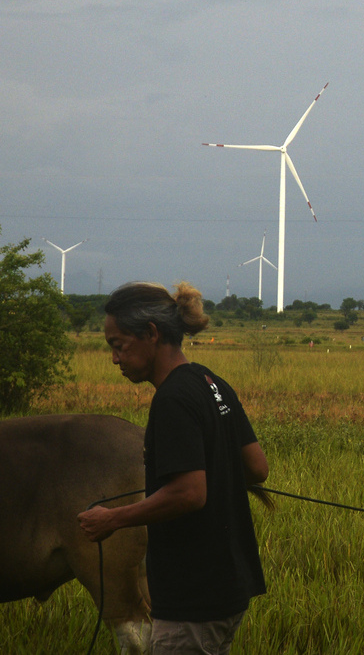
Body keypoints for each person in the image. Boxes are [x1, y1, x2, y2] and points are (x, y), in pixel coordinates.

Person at [78, 281, 268, 655]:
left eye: (119, 345)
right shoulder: (212, 383)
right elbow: (257, 468)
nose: (115, 358)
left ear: (151, 334)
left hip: (191, 599)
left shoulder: (171, 400)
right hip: (229, 588)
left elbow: (189, 493)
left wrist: (113, 519)